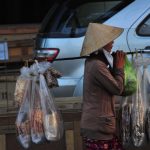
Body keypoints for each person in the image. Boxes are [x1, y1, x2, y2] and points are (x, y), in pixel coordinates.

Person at [80, 23, 126, 150]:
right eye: (109, 40)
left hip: (100, 127)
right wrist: (119, 68)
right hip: (98, 129)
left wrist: (114, 63)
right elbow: (117, 88)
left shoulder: (95, 62)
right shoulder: (96, 65)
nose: (113, 42)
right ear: (101, 44)